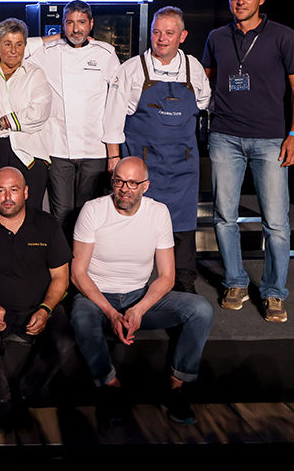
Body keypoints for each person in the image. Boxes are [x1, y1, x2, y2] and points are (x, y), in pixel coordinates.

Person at [70, 157, 215, 425]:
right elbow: (78, 273)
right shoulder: (93, 210)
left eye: (132, 183)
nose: (124, 189)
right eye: (119, 182)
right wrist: (111, 313)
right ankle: (111, 387)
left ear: (145, 186)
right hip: (98, 297)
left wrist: (138, 309)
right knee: (80, 315)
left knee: (201, 310)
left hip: (138, 296)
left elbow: (167, 276)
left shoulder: (158, 213)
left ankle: (177, 386)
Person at [202, 0, 294, 323]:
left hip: (270, 139)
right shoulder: (217, 37)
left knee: (276, 222)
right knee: (224, 217)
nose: (240, 0)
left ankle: (274, 292)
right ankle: (235, 282)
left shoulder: (282, 35)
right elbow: (205, 80)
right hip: (225, 137)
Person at [103, 7, 211, 294]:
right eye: (157, 32)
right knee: (136, 222)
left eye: (169, 33)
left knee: (183, 226)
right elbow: (113, 118)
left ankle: (184, 283)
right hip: (144, 166)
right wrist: (114, 157)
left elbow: (203, 102)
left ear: (182, 36)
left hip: (183, 165)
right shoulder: (131, 69)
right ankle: (132, 283)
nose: (161, 39)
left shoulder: (193, 68)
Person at [0, 167, 73, 431]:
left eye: (13, 190)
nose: (7, 197)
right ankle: (2, 400)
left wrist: (45, 309)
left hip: (39, 306)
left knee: (63, 339)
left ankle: (22, 398)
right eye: (0, 190)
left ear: (25, 192)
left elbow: (61, 277)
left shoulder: (47, 225)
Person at [26, 0, 120, 235]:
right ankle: (62, 257)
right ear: (62, 25)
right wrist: (54, 37)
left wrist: (113, 153)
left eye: (81, 22)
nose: (76, 29)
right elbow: (17, 49)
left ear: (91, 24)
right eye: (69, 23)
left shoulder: (106, 53)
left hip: (94, 148)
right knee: (61, 212)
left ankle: (86, 257)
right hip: (58, 147)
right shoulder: (48, 52)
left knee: (89, 212)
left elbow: (117, 103)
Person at [0, 18, 52, 211]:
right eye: (7, 44)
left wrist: (1, 122)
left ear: (25, 46)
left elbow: (39, 112)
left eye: (19, 44)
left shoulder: (35, 74)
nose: (13, 50)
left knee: (30, 213)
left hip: (29, 153)